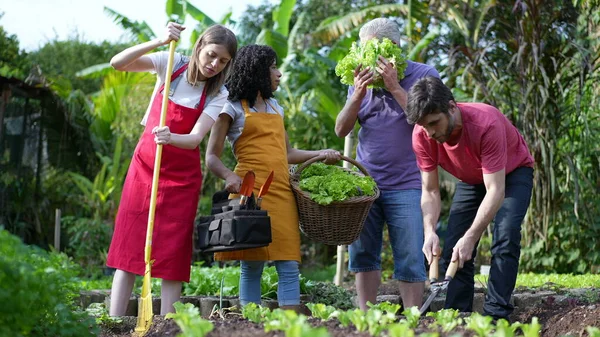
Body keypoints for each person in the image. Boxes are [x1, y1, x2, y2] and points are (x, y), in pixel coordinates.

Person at [105, 22, 237, 316]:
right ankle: (114, 323)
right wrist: (160, 40)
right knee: (130, 247)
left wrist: (170, 137)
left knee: (171, 254)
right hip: (144, 168)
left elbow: (193, 140)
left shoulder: (219, 94)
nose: (214, 64)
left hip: (182, 179)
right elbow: (118, 63)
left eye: (223, 61)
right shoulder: (171, 62)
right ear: (200, 46)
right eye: (211, 55)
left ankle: (168, 325)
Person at [205, 44, 340, 311]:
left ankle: (289, 326)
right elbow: (211, 157)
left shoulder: (275, 106)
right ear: (257, 71)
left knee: (288, 262)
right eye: (273, 67)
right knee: (252, 264)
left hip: (281, 192)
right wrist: (229, 175)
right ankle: (251, 324)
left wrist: (321, 153)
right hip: (249, 193)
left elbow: (288, 152)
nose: (278, 73)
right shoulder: (230, 107)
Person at [406, 76, 534, 320]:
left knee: (505, 236)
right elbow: (431, 190)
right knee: (455, 242)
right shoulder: (422, 135)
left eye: (434, 123)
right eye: (424, 126)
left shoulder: (486, 123)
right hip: (471, 177)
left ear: (452, 107)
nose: (430, 132)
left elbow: (495, 190)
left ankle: (496, 316)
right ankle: (456, 315)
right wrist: (430, 231)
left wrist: (472, 236)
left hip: (512, 172)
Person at [334, 18, 440, 311]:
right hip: (365, 184)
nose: (370, 57)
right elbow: (341, 129)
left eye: (377, 50)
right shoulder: (359, 81)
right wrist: (357, 93)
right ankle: (366, 318)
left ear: (393, 47)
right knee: (363, 254)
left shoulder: (424, 75)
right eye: (364, 49)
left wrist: (394, 86)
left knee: (409, 256)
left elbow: (429, 119)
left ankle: (413, 319)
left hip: (407, 183)